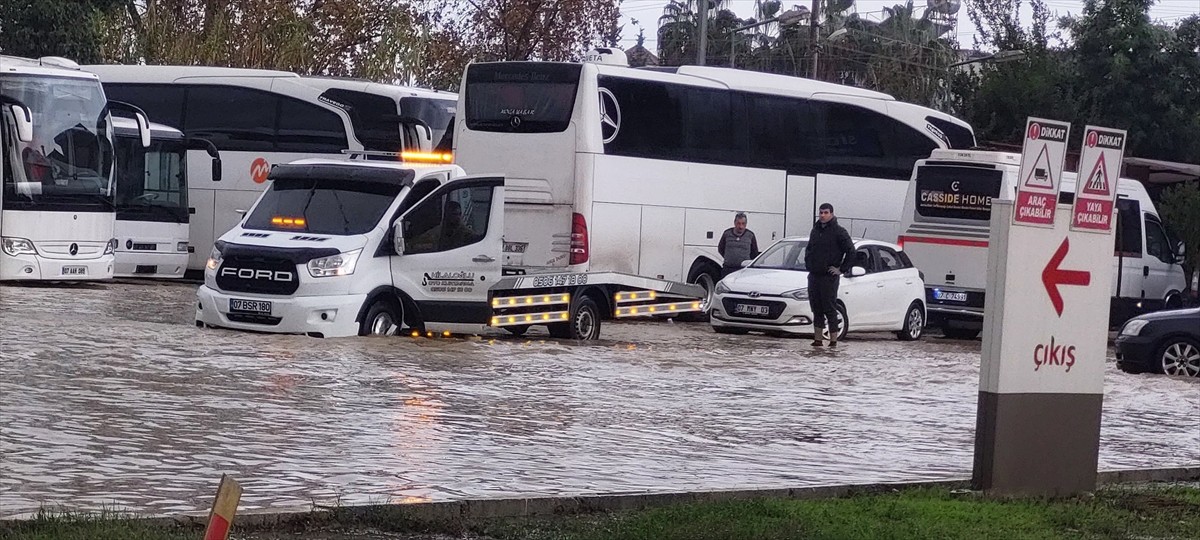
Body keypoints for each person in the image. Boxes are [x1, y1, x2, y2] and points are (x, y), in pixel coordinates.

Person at [804, 203, 855, 347]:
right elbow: (809, 249)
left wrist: (842, 269)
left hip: (829, 277)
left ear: (831, 214)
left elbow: (851, 251)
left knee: (829, 307)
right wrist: (808, 263)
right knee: (816, 308)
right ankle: (818, 340)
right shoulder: (815, 231)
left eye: (825, 213)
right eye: (820, 212)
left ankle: (833, 341)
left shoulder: (839, 232)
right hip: (814, 275)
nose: (822, 215)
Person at [717, 212, 760, 278]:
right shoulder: (727, 234)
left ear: (746, 224)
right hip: (728, 269)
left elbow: (754, 252)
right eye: (738, 223)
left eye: (743, 224)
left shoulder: (750, 235)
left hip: (744, 270)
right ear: (734, 223)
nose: (741, 226)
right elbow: (720, 248)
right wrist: (729, 258)